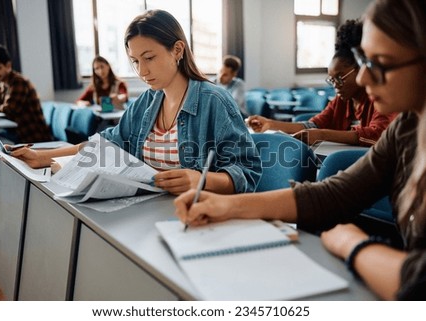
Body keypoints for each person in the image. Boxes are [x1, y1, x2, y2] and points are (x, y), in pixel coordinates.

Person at [175, 0, 426, 300]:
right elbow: (334, 194)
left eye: (380, 63)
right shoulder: (409, 127)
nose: (362, 78)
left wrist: (353, 244)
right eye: (364, 60)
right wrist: (226, 206)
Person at [11, 10, 262, 195]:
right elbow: (108, 143)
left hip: (193, 214)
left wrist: (200, 180)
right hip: (146, 206)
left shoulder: (214, 102)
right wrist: (43, 157)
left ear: (177, 50)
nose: (142, 71)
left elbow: (247, 173)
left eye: (149, 57)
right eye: (135, 61)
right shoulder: (148, 101)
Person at [248, 19, 398, 147]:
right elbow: (313, 125)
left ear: (360, 69)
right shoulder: (342, 101)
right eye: (332, 80)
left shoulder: (379, 97)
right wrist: (270, 124)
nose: (335, 85)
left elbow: (378, 134)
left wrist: (323, 134)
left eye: (340, 77)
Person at [0, 44, 52, 143]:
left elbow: (9, 110)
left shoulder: (19, 82)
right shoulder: (2, 84)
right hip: (18, 132)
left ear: (8, 66)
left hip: (32, 136)